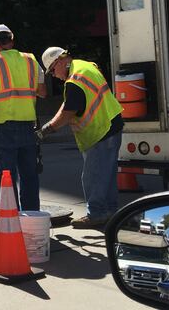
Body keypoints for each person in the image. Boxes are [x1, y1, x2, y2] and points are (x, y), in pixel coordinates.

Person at [37, 47, 124, 228]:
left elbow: (68, 112)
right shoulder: (84, 67)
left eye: (52, 70)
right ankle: (110, 212)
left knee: (93, 177)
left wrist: (47, 129)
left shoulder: (75, 81)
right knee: (106, 174)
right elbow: (68, 103)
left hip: (100, 131)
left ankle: (97, 214)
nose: (54, 75)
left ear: (60, 61)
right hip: (111, 124)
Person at [0, 24, 47, 211]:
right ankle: (31, 217)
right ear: (12, 41)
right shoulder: (30, 59)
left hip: (4, 127)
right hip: (28, 126)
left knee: (7, 177)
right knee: (29, 175)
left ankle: (10, 218)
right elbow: (43, 92)